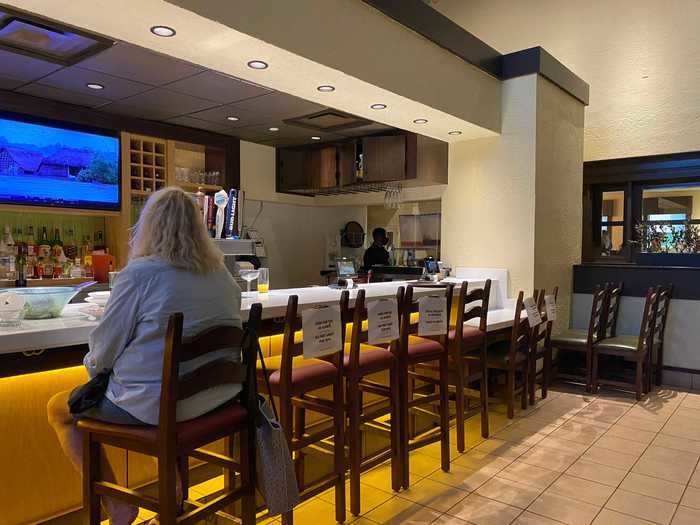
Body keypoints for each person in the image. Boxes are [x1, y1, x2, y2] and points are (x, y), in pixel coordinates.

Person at [47, 187, 242, 525]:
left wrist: (97, 371)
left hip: (162, 408)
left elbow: (103, 353)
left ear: (148, 226)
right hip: (219, 399)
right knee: (158, 394)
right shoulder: (222, 275)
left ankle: (117, 504)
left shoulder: (140, 275)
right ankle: (175, 495)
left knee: (58, 409)